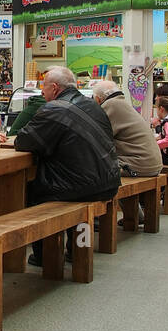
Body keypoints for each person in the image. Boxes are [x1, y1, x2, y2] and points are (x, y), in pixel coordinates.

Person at [12, 67, 120, 267]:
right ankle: (75, 249)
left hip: (81, 187)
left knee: (32, 191)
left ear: (54, 88)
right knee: (66, 185)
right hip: (109, 181)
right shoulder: (94, 106)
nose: (42, 93)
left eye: (43, 87)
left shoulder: (53, 109)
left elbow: (24, 142)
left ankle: (46, 255)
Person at [91, 79, 161, 177]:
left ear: (98, 99)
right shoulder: (121, 103)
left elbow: (96, 138)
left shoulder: (110, 105)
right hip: (150, 164)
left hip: (138, 166)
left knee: (88, 168)